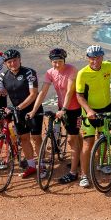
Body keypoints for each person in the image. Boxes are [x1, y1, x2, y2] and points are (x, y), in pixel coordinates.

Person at [29, 48, 82, 183]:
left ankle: (73, 172)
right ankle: (80, 158)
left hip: (74, 108)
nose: (56, 64)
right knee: (75, 135)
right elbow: (43, 92)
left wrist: (64, 109)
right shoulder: (50, 72)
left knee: (72, 139)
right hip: (62, 107)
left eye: (59, 61)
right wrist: (33, 111)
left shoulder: (72, 69)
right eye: (54, 62)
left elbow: (70, 91)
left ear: (64, 60)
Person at [75, 45, 111, 188]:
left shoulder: (108, 66)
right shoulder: (83, 73)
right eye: (92, 58)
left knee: (104, 138)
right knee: (88, 143)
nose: (95, 61)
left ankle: (102, 164)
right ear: (88, 58)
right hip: (89, 112)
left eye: (98, 57)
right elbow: (79, 96)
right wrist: (89, 111)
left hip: (106, 108)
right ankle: (84, 175)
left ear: (102, 57)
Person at [0, 49, 40, 178]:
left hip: (33, 109)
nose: (12, 63)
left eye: (15, 60)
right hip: (18, 111)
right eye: (9, 62)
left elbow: (33, 94)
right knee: (24, 139)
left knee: (36, 139)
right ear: (6, 63)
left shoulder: (29, 72)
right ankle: (31, 166)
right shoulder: (3, 76)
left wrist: (18, 107)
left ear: (20, 60)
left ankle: (42, 165)